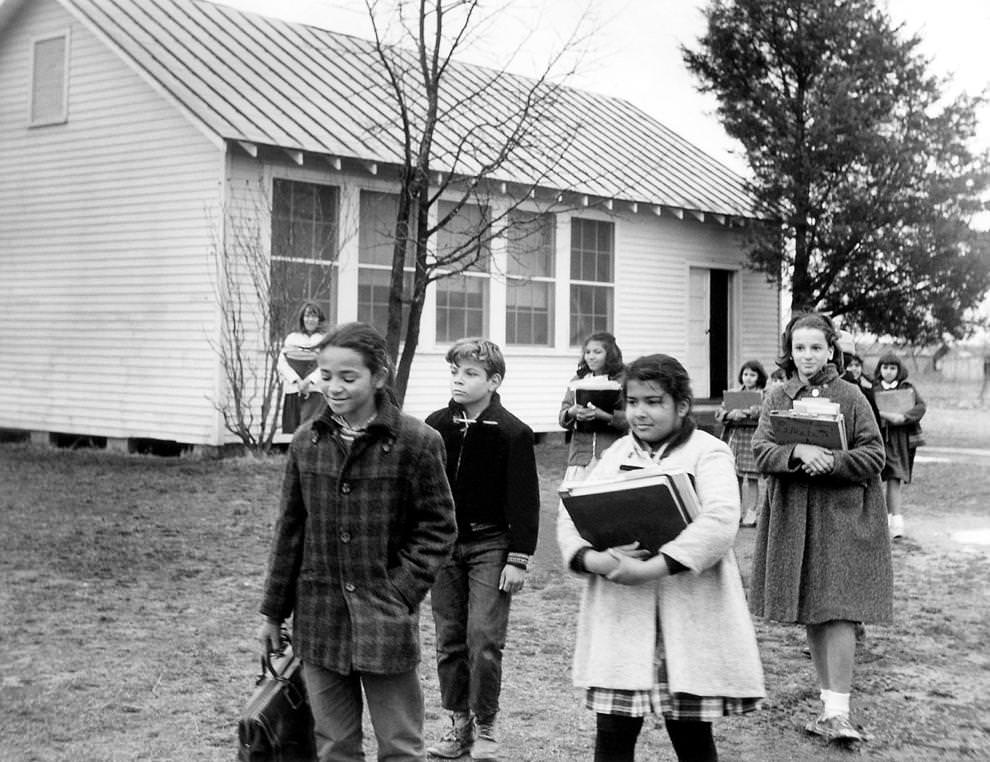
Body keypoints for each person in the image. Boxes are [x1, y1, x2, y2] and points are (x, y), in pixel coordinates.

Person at [258, 322, 457, 762]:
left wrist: (401, 590)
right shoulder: (307, 442)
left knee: (401, 745)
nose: (334, 387)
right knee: (334, 746)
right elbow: (290, 529)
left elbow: (438, 527)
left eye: (349, 378)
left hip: (385, 621)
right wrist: (273, 612)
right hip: (319, 620)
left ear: (379, 377)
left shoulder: (418, 442)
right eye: (326, 376)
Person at [557, 353, 764, 762]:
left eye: (653, 402)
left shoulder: (708, 451)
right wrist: (591, 560)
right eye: (633, 402)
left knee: (689, 733)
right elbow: (571, 513)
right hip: (622, 613)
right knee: (613, 732)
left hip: (687, 613)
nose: (640, 413)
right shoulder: (615, 454)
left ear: (681, 406)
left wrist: (653, 567)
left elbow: (721, 520)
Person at [749, 313, 891, 745]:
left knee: (839, 608)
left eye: (815, 348)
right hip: (794, 517)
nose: (807, 356)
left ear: (831, 350)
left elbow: (875, 456)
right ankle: (829, 708)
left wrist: (831, 460)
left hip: (842, 516)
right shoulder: (776, 395)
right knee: (812, 606)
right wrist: (797, 451)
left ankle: (841, 711)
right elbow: (760, 450)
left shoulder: (852, 397)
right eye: (799, 348)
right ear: (789, 352)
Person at [424, 338, 541, 761]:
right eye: (455, 370)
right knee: (449, 639)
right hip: (445, 548)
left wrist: (519, 557)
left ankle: (486, 724)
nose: (459, 378)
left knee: (484, 639)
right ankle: (458, 726)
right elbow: (423, 490)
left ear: (493, 381)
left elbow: (525, 500)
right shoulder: (436, 425)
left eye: (470, 373)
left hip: (491, 546)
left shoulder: (512, 432)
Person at [559, 332, 628, 482]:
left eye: (597, 352)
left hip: (611, 454)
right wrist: (572, 412)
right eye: (587, 352)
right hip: (580, 455)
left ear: (610, 354)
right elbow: (562, 416)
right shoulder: (577, 381)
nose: (591, 356)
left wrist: (604, 415)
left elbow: (630, 419)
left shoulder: (622, 382)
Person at [874, 351, 927, 539]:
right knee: (876, 477)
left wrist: (904, 417)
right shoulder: (874, 389)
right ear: (880, 369)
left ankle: (896, 520)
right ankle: (881, 520)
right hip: (879, 438)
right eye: (885, 367)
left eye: (893, 368)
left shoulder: (907, 388)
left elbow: (921, 407)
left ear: (899, 370)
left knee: (896, 477)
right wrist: (886, 416)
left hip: (901, 438)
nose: (888, 372)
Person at [714, 360, 768, 527]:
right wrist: (730, 415)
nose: (748, 378)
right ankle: (735, 511)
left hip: (752, 438)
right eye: (746, 374)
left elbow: (767, 414)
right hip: (735, 438)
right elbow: (719, 413)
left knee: (752, 478)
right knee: (734, 477)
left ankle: (751, 512)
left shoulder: (764, 396)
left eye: (752, 375)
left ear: (759, 376)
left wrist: (750, 412)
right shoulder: (733, 394)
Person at [277, 301, 327, 433]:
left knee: (311, 432)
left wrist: (309, 380)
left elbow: (326, 364)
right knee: (292, 432)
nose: (310, 319)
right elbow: (282, 363)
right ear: (302, 318)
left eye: (314, 316)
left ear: (319, 319)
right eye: (307, 316)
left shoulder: (325, 340)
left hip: (315, 392)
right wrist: (297, 381)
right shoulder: (292, 338)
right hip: (294, 390)